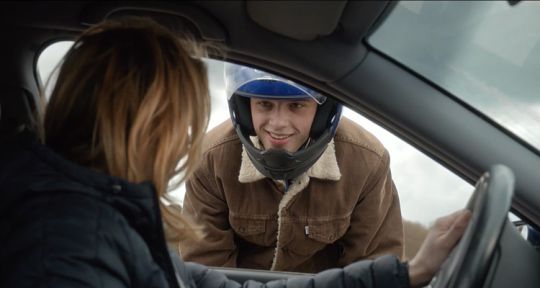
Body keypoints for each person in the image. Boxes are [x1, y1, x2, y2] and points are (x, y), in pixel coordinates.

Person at [0, 16, 471, 288]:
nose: (186, 139)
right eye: (181, 118)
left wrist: (411, 273)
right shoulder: (64, 248)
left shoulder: (115, 223)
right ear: (147, 124)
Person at [180, 64, 404, 273]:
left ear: (322, 112)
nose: (278, 123)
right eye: (264, 104)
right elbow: (206, 268)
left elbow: (374, 269)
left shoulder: (368, 163)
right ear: (245, 108)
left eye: (296, 105)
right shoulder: (209, 160)